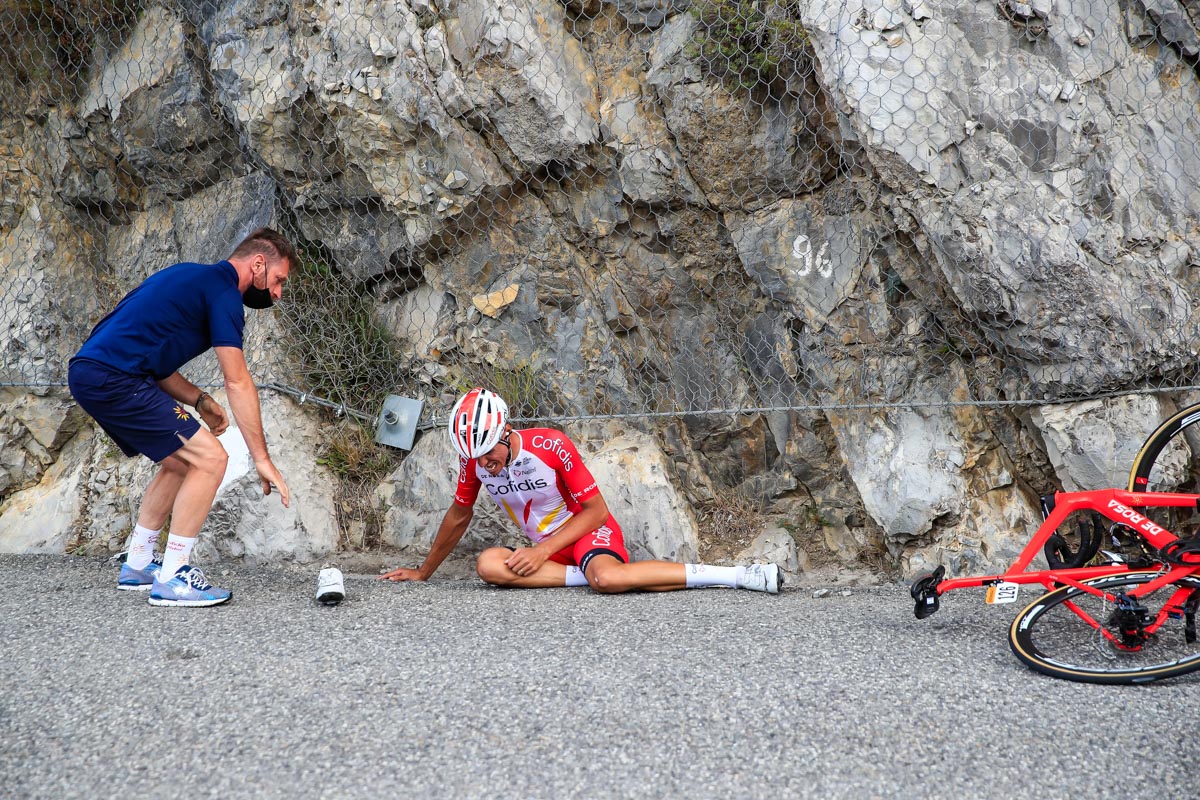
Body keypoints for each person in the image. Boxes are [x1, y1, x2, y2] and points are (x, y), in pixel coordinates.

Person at [67, 228, 295, 607]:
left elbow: (153, 360)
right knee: (211, 458)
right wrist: (262, 459)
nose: (277, 293)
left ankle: (139, 563)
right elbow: (238, 381)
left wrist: (199, 399)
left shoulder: (189, 277)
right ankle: (174, 576)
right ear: (257, 264)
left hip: (95, 372)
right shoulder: (224, 294)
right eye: (278, 280)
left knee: (178, 459)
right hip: (115, 376)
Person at [380, 388, 781, 594]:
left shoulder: (550, 444)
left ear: (505, 431)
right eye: (474, 457)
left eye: (488, 454)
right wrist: (423, 572)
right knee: (487, 565)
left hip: (585, 531)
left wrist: (539, 552)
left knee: (607, 580)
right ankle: (591, 576)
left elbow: (597, 512)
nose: (482, 464)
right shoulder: (475, 459)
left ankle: (737, 576)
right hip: (553, 553)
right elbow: (459, 514)